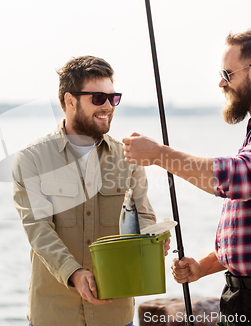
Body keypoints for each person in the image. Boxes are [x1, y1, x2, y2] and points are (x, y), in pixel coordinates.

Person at [122, 30, 251, 326]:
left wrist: (160, 155)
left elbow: (243, 178)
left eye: (227, 73)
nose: (221, 82)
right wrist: (203, 266)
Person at [13, 55, 158, 326]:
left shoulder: (129, 158)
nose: (108, 107)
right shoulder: (32, 160)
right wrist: (75, 274)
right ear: (70, 101)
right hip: (54, 316)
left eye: (113, 98)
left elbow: (145, 217)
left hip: (115, 317)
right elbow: (38, 230)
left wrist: (153, 242)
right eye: (98, 98)